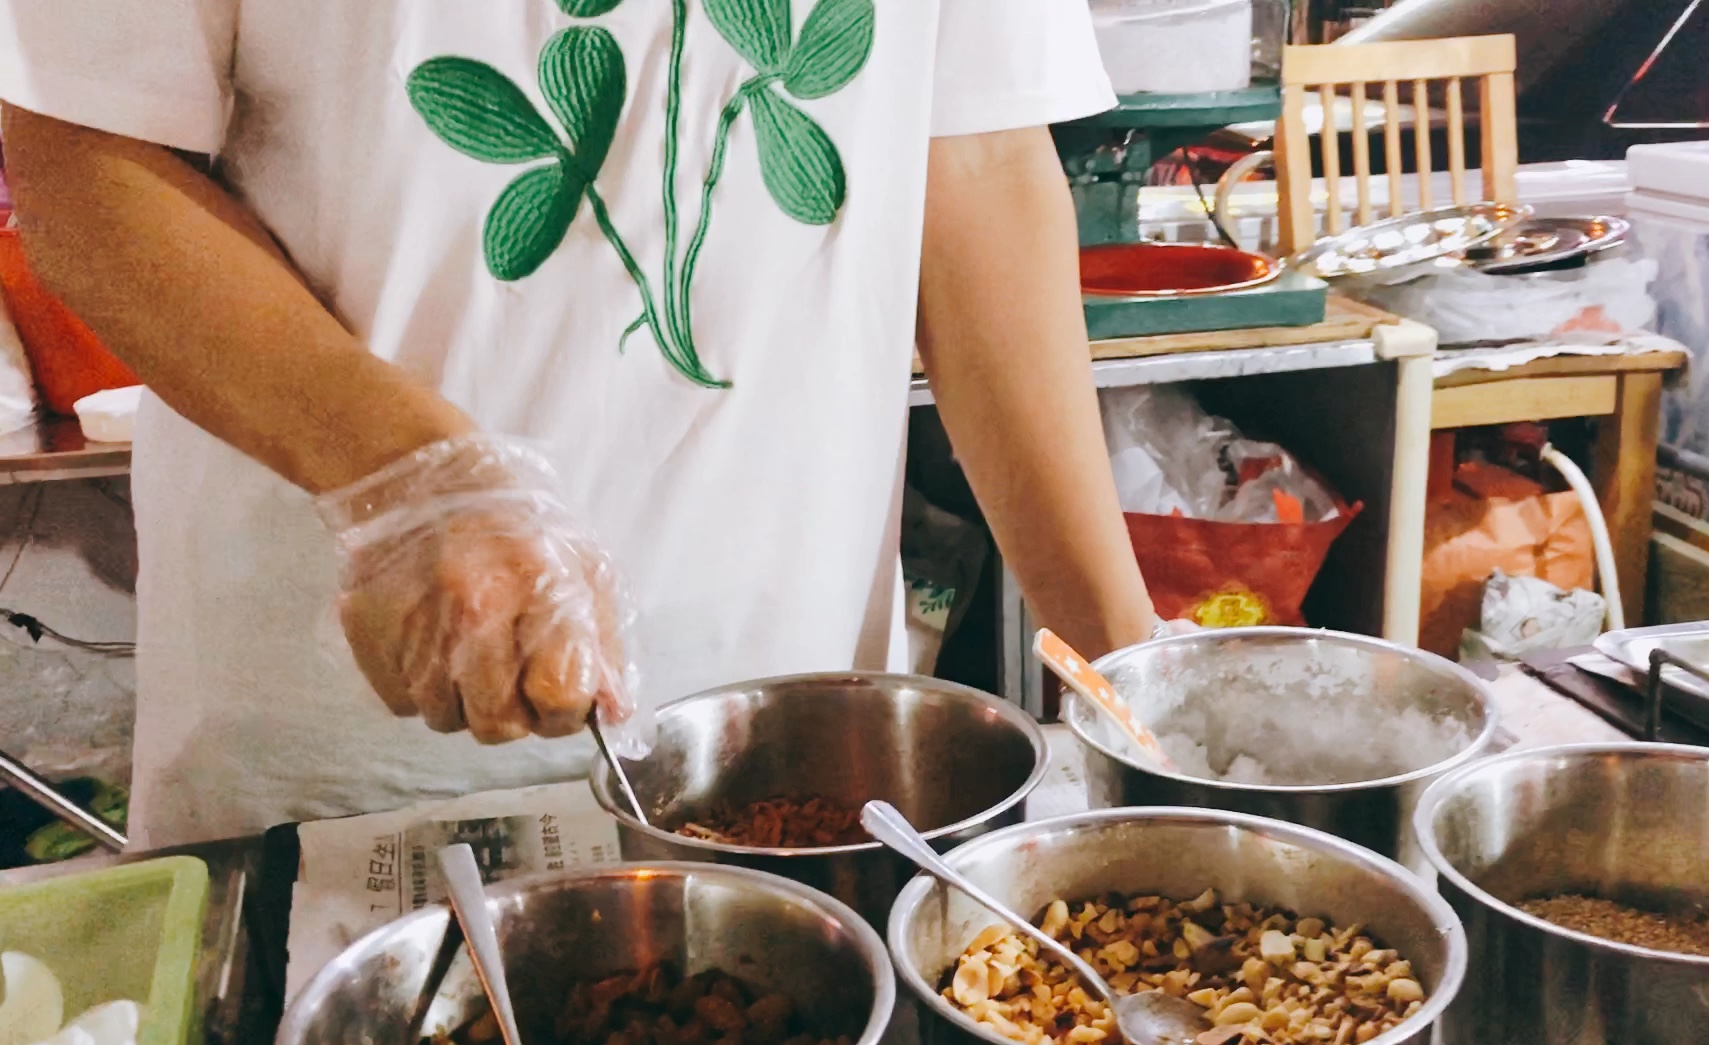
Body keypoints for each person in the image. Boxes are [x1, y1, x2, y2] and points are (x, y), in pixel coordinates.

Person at [0, 0, 1159, 847]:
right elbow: (84, 162)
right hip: (355, 734)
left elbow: (981, 161)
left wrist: (1128, 684)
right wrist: (410, 478)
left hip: (800, 736)